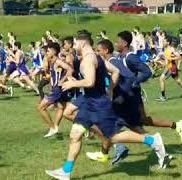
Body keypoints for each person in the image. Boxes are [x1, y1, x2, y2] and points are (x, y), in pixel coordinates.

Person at [45, 31, 169, 180]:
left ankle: (152, 140)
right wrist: (110, 89)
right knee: (75, 134)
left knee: (114, 137)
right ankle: (66, 172)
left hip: (98, 105)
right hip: (88, 103)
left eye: (76, 43)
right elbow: (115, 71)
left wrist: (73, 83)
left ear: (83, 43)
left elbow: (89, 81)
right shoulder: (96, 57)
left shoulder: (88, 60)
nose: (74, 46)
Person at [37, 42, 73, 138]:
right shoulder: (52, 61)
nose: (46, 53)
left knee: (41, 108)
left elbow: (70, 69)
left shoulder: (57, 61)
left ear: (54, 51)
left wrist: (62, 80)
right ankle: (85, 125)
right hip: (56, 89)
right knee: (61, 107)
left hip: (58, 90)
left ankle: (52, 128)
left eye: (48, 51)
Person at [156, 36, 182, 101]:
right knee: (178, 81)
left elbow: (179, 57)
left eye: (164, 41)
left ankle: (163, 97)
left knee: (161, 79)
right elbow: (166, 60)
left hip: (171, 67)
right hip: (169, 67)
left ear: (168, 42)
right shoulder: (166, 49)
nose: (163, 42)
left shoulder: (171, 49)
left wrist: (171, 59)